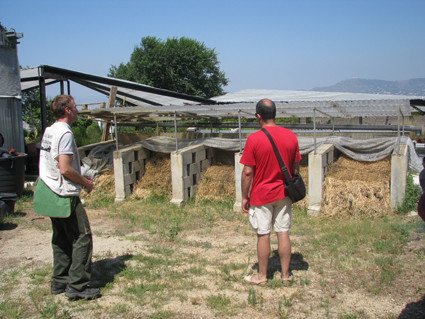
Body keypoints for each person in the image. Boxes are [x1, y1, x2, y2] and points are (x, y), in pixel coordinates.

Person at [39, 95, 101, 300]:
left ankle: (60, 280)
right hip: (63, 193)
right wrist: (85, 182)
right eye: (74, 108)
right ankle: (78, 286)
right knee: (82, 237)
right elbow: (65, 168)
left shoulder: (50, 130)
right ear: (67, 110)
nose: (77, 111)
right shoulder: (65, 134)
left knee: (61, 237)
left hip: (48, 189)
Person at [240, 98, 302, 285]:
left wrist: (245, 196)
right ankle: (285, 275)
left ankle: (262, 276)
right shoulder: (291, 136)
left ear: (258, 116)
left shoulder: (254, 138)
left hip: (262, 194)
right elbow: (296, 168)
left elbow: (248, 172)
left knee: (263, 234)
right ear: (275, 114)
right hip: (284, 193)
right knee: (283, 232)